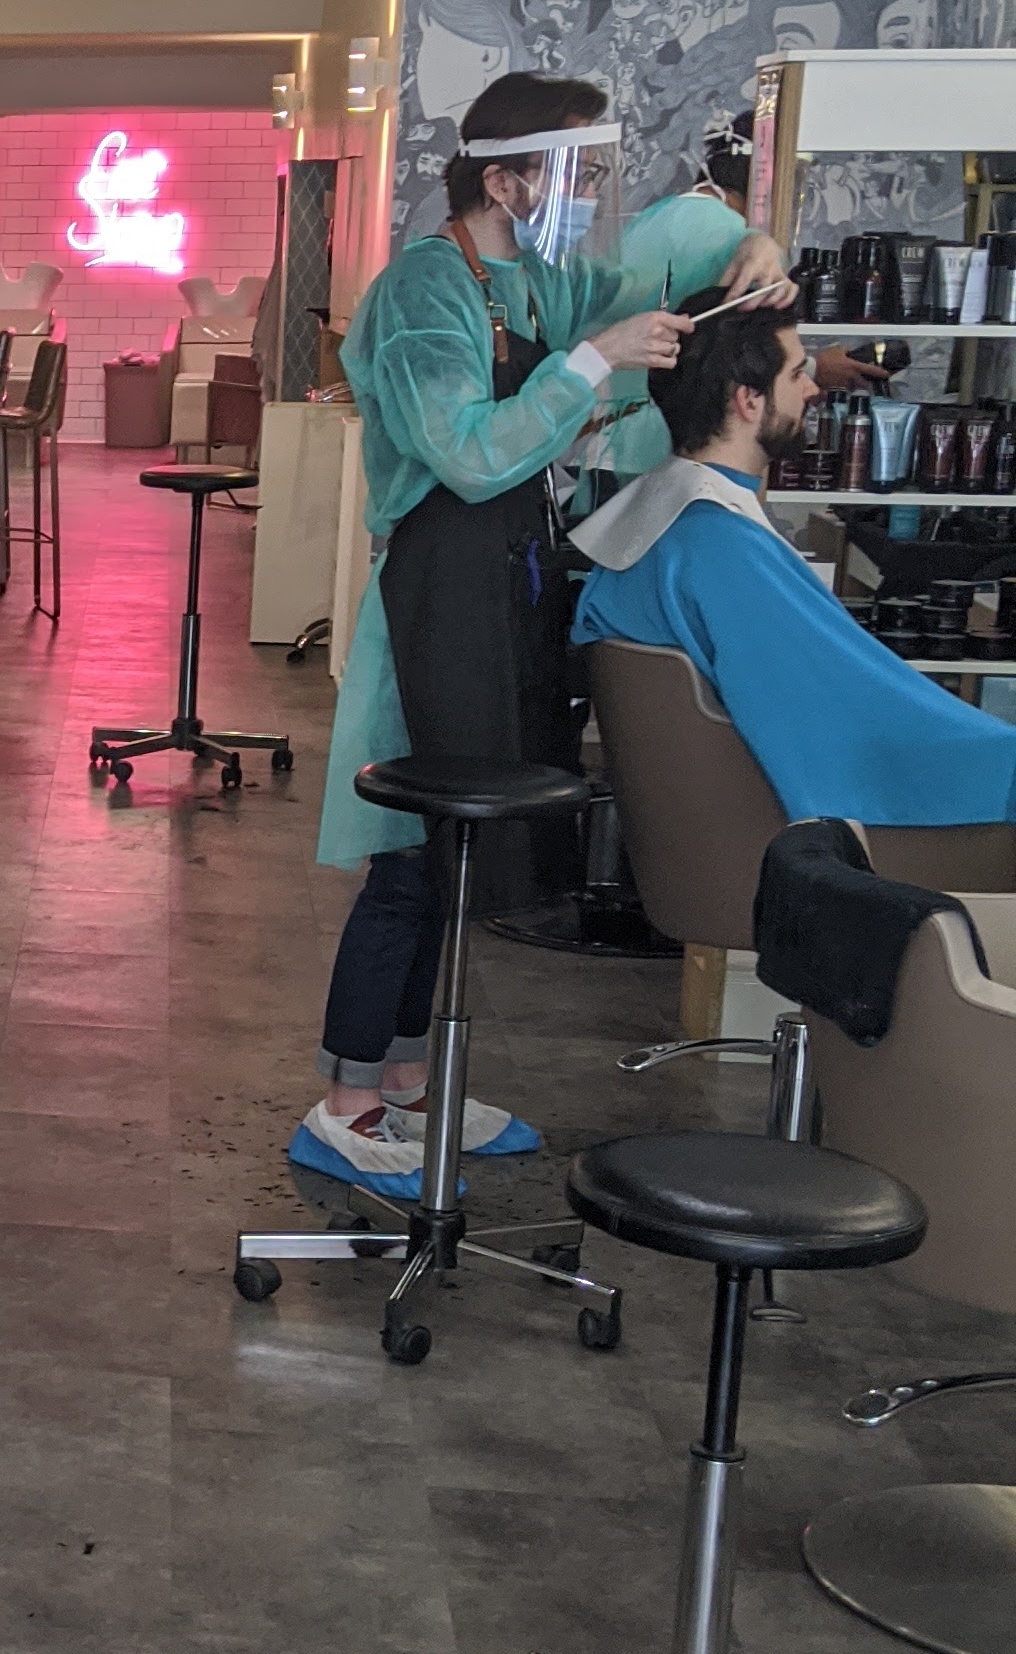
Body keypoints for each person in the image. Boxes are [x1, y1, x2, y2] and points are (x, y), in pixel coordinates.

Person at [296, 74, 790, 1195]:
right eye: (575, 170)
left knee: (458, 859)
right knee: (408, 858)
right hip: (435, 598)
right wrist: (595, 358)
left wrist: (750, 248)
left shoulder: (542, 281)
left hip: (506, 584)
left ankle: (407, 1084)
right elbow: (468, 454)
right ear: (508, 179)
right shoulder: (425, 290)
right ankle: (345, 1102)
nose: (591, 191)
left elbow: (660, 262)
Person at [573, 298, 1016, 828]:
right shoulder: (721, 547)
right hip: (800, 845)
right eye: (796, 374)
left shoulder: (662, 522)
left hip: (705, 828)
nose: (812, 389)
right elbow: (861, 716)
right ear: (748, 401)